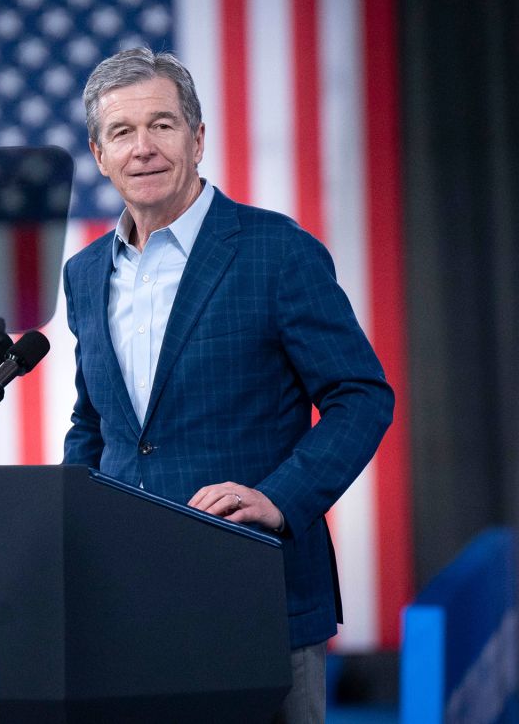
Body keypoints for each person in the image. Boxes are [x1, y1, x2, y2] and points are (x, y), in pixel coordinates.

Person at [61, 47, 394, 723]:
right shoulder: (85, 273)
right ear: (99, 154)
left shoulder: (277, 251)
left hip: (257, 596)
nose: (144, 147)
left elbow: (362, 395)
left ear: (199, 137)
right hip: (128, 609)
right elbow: (94, 424)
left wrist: (279, 497)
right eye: (122, 132)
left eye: (162, 124)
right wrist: (69, 524)